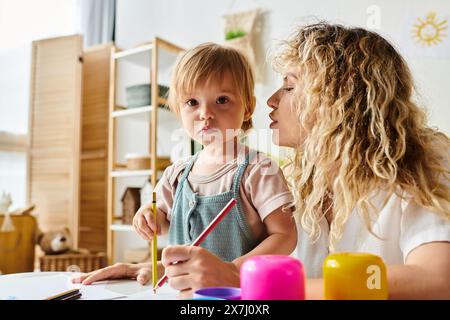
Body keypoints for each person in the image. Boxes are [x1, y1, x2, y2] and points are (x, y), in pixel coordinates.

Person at [73, 24, 450, 299]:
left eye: (289, 85)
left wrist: (242, 278)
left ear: (342, 97)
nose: (270, 101)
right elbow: (290, 270)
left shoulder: (424, 158)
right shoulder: (303, 176)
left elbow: (436, 281)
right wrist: (169, 271)